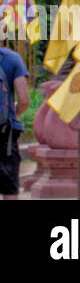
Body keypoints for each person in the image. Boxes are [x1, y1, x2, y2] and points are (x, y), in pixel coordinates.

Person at [0, 45, 29, 199]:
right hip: (6, 134)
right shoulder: (11, 58)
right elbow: (24, 100)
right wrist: (14, 114)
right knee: (9, 190)